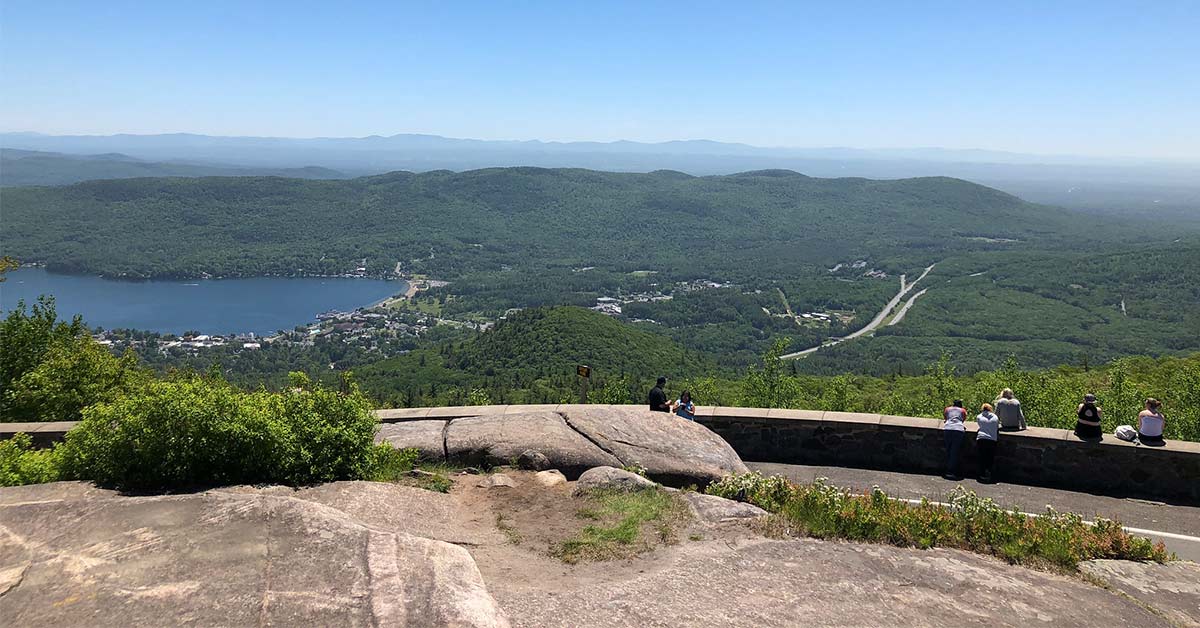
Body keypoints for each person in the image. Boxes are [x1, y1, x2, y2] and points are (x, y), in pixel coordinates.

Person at [942, 399, 967, 480]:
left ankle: (946, 469)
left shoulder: (947, 409)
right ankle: (951, 471)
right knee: (954, 451)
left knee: (948, 449)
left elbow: (945, 418)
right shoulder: (963, 410)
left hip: (948, 428)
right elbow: (963, 419)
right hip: (958, 430)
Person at [975, 403, 999, 483]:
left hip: (981, 438)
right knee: (990, 458)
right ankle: (989, 474)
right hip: (992, 439)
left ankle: (981, 474)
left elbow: (980, 425)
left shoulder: (979, 416)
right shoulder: (995, 417)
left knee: (981, 457)